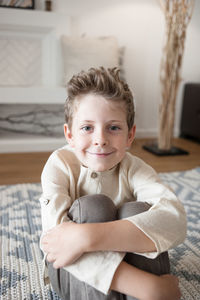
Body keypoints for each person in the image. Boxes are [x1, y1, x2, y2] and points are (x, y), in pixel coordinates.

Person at [40, 67, 186, 300]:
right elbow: (56, 242)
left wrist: (87, 236)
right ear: (69, 135)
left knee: (138, 210)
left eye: (114, 128)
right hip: (73, 275)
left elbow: (175, 218)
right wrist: (146, 287)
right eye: (87, 128)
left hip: (123, 259)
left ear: (130, 135)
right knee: (94, 207)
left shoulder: (134, 168)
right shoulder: (59, 164)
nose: (100, 140)